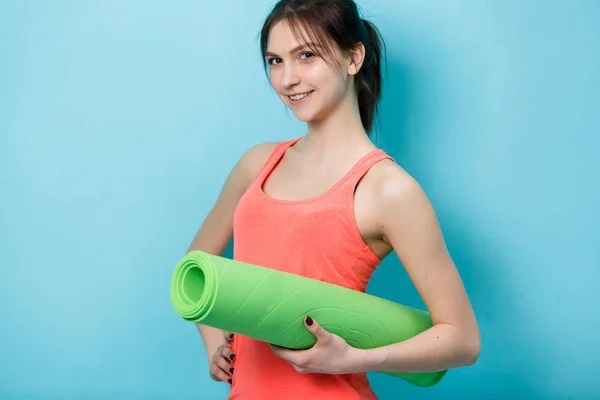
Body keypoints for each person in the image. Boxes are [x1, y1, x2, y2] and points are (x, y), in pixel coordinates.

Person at [186, 0, 481, 398]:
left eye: (306, 55)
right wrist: (213, 343)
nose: (288, 78)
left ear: (354, 57)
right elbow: (197, 264)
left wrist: (354, 358)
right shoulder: (256, 164)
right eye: (275, 61)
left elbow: (462, 340)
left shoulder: (388, 190)